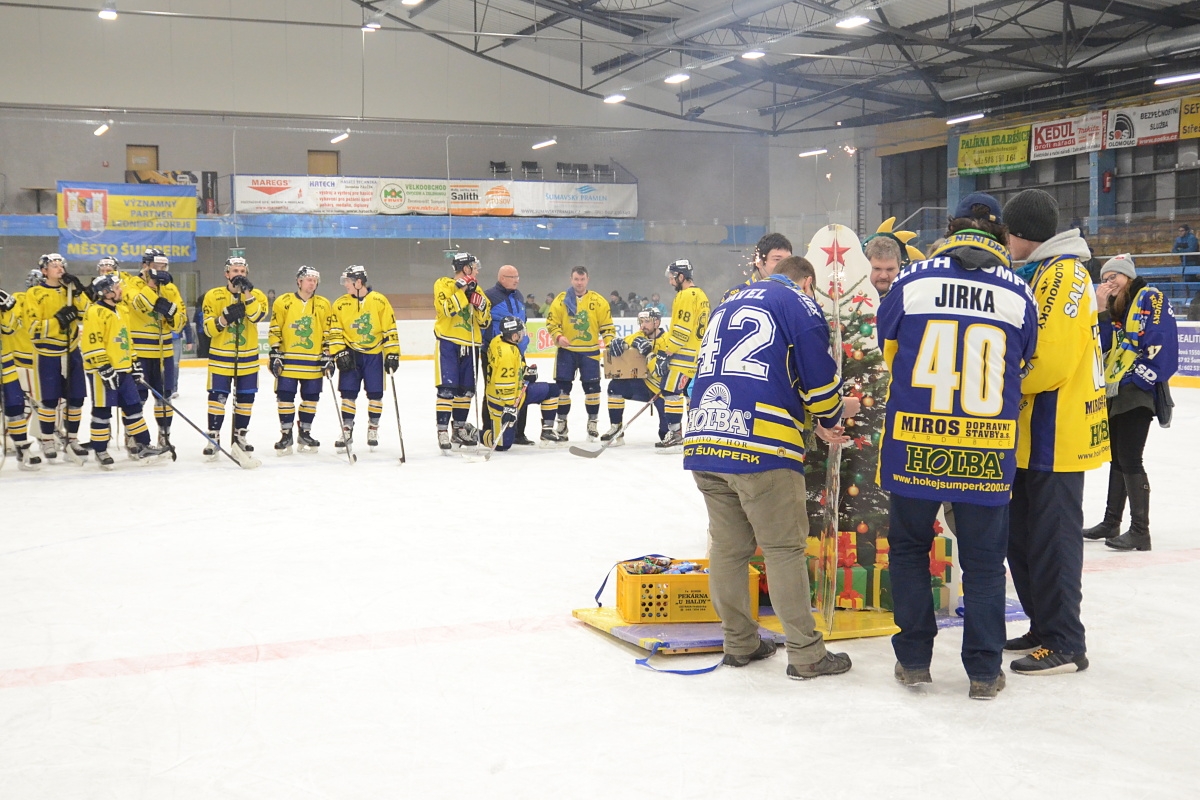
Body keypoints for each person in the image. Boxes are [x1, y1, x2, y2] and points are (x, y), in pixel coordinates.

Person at [877, 212, 1039, 700]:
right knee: (985, 564)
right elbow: (1024, 362)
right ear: (998, 235)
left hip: (915, 446)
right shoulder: (1019, 293)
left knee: (907, 551)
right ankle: (985, 672)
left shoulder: (912, 279)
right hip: (986, 451)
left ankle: (913, 661)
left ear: (950, 232)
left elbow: (889, 349)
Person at [684, 255, 857, 680]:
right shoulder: (798, 302)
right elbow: (818, 377)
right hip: (760, 445)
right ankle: (806, 653)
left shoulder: (730, 301)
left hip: (706, 437)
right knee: (783, 548)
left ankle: (739, 642)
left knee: (727, 548)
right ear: (808, 282)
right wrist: (832, 416)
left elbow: (759, 376)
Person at [1001, 188, 1109, 676]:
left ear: (1023, 235)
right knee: (1022, 539)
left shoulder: (1065, 274)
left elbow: (1051, 360)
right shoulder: (1044, 271)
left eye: (1008, 233)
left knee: (1053, 540)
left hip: (1055, 435)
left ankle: (1065, 639)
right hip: (1032, 435)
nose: (1005, 241)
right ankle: (1044, 625)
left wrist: (1000, 387)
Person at [1083, 255, 1178, 551]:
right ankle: (1112, 521)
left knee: (1131, 458)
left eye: (1115, 277)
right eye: (1106, 278)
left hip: (1136, 390)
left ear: (1128, 276)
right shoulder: (1117, 306)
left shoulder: (1150, 297)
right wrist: (1100, 309)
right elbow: (1106, 345)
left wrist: (1139, 379)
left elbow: (1163, 340)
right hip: (1117, 390)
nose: (1110, 283)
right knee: (1118, 457)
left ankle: (1140, 530)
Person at [80, 273, 169, 467]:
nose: (121, 290)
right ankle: (100, 449)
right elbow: (91, 343)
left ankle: (144, 445)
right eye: (117, 288)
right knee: (102, 411)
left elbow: (127, 341)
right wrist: (104, 367)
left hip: (124, 369)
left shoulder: (121, 310)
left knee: (133, 408)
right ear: (106, 292)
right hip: (102, 371)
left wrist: (134, 363)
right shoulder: (95, 312)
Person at [24, 253, 90, 464]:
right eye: (54, 266)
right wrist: (58, 321)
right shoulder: (34, 293)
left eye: (62, 265)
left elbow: (87, 313)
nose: (60, 269)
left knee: (76, 398)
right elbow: (32, 328)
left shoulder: (69, 291)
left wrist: (78, 292)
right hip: (47, 354)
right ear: (44, 271)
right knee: (50, 400)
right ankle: (47, 439)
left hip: (71, 351)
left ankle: (72, 439)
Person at [200, 256, 268, 458]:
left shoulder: (257, 296)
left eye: (242, 272)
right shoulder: (213, 296)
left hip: (247, 358)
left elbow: (256, 316)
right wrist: (224, 318)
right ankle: (213, 437)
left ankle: (240, 436)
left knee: (246, 400)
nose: (239, 275)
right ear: (226, 273)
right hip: (221, 357)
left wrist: (247, 294)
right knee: (217, 399)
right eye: (235, 271)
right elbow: (208, 330)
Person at [329, 265, 400, 453]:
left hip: (374, 354)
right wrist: (338, 351)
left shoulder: (379, 301)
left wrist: (392, 352)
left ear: (359, 282)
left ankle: (373, 428)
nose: (345, 285)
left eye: (348, 281)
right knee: (348, 393)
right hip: (350, 353)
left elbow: (390, 328)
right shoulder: (340, 304)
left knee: (375, 394)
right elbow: (335, 331)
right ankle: (347, 429)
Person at [124, 249, 187, 451]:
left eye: (164, 267)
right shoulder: (131, 284)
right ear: (145, 266)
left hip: (164, 353)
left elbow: (180, 321)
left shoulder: (171, 289)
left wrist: (170, 315)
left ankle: (164, 436)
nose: (161, 271)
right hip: (139, 352)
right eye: (156, 267)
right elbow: (140, 304)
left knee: (164, 397)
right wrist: (151, 286)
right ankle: (133, 437)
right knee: (138, 398)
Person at [269, 266, 334, 455]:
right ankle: (286, 434)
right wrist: (275, 352)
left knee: (311, 398)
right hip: (288, 361)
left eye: (315, 280)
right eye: (308, 279)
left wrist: (327, 354)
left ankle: (305, 433)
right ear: (299, 281)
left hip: (313, 362)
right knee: (285, 398)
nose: (312, 283)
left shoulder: (323, 304)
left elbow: (327, 331)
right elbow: (275, 328)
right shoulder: (284, 301)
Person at [546, 266, 614, 440]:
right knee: (563, 390)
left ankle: (592, 423)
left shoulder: (598, 301)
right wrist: (558, 336)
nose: (579, 283)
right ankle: (562, 424)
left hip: (589, 352)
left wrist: (609, 344)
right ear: (571, 279)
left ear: (587, 280)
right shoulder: (561, 300)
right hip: (566, 352)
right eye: (576, 279)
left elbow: (607, 327)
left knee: (592, 390)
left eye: (582, 279)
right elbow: (552, 323)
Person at [432, 252, 491, 451]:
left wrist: (480, 305)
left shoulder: (479, 289)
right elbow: (446, 309)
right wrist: (463, 292)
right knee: (446, 390)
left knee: (466, 391)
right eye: (474, 266)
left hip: (471, 344)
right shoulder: (443, 284)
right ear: (465, 268)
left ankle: (458, 430)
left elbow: (485, 322)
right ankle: (442, 432)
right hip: (448, 342)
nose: (477, 269)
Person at [651, 259, 709, 452]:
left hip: (682, 358)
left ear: (681, 277)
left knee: (671, 393)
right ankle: (694, 433)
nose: (670, 281)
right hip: (698, 356)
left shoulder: (685, 296)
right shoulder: (702, 295)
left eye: (672, 277)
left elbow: (681, 331)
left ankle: (676, 434)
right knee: (690, 395)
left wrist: (667, 351)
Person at [483, 316, 563, 450]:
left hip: (513, 394)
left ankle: (547, 430)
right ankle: (474, 434)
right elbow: (504, 385)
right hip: (503, 402)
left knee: (552, 390)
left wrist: (526, 372)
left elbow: (513, 370)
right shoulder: (507, 354)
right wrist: (509, 408)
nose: (523, 334)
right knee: (503, 445)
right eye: (520, 332)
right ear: (514, 336)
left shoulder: (498, 340)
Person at [601, 306, 668, 447]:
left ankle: (671, 433)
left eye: (647, 321)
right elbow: (619, 343)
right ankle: (616, 427)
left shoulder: (667, 340)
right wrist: (615, 344)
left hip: (662, 390)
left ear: (657, 322)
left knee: (664, 433)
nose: (643, 325)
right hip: (644, 386)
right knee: (615, 387)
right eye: (641, 321)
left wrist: (648, 353)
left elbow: (662, 371)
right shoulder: (639, 336)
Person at [483, 265, 533, 446]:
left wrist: (523, 343)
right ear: (502, 278)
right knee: (492, 392)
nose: (517, 279)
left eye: (518, 276)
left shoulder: (519, 296)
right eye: (513, 276)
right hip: (496, 354)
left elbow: (523, 322)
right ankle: (489, 429)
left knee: (521, 389)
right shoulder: (489, 296)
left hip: (517, 352)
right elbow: (483, 322)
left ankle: (519, 432)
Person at [0, 282, 41, 469]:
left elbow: (10, 328)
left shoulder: (4, 296)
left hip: (6, 366)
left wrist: (6, 310)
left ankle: (21, 448)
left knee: (16, 407)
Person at [722, 232, 793, 301]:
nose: (785, 265)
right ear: (759, 262)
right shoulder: (735, 296)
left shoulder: (795, 294)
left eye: (789, 260)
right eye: (777, 259)